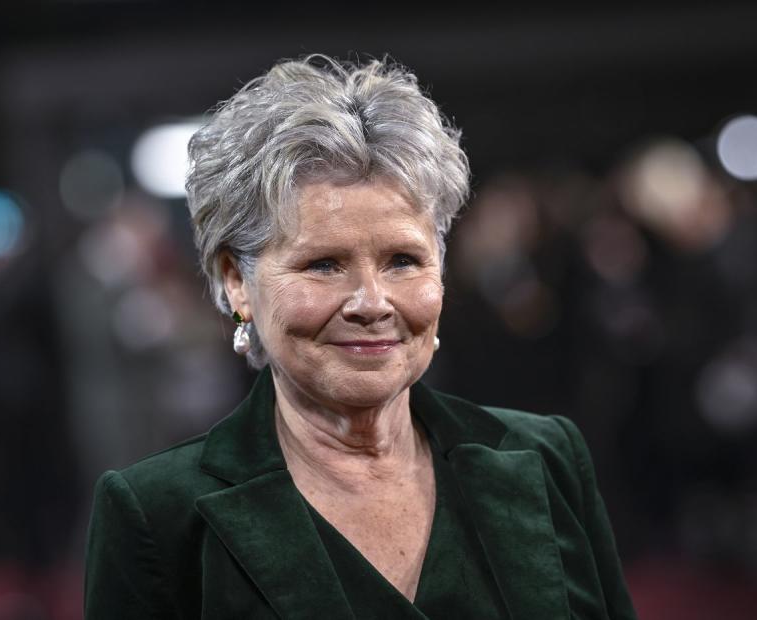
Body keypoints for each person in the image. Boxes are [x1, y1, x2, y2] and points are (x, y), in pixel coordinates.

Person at [84, 53, 637, 619]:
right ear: (237, 281)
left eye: (403, 260)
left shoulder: (547, 459)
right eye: (323, 264)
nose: (372, 303)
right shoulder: (156, 515)